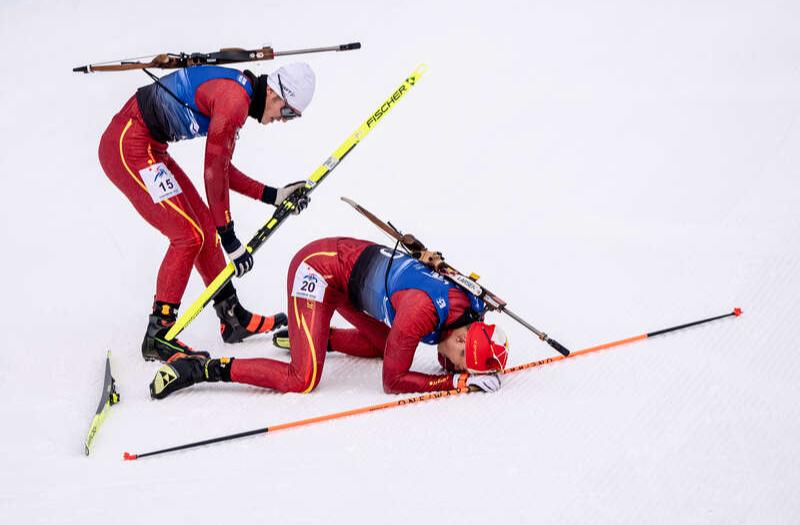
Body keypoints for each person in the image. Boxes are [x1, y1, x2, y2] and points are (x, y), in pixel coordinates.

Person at [98, 62, 317, 361]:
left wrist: (273, 196)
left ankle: (232, 317)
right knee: (187, 236)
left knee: (203, 227)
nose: (284, 120)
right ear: (274, 93)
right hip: (128, 144)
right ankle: (159, 334)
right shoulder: (234, 102)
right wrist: (230, 238)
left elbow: (221, 166)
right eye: (288, 112)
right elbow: (213, 173)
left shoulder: (239, 97)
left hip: (152, 148)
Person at [150, 237, 510, 398]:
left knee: (388, 345)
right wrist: (453, 384)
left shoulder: (471, 307)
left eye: (460, 367)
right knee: (303, 378)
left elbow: (470, 292)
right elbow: (393, 380)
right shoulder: (421, 313)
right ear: (461, 337)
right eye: (460, 359)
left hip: (347, 280)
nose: (454, 366)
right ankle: (201, 368)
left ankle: (312, 335)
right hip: (318, 270)